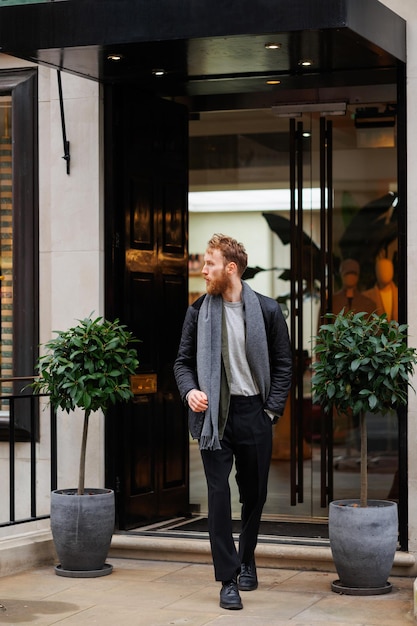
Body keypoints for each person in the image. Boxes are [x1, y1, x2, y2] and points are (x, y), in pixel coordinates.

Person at [174, 234, 292, 611]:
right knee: (218, 495)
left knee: (254, 494)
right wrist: (190, 391)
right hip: (214, 417)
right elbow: (182, 362)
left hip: (254, 412)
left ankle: (248, 557)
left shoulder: (269, 312)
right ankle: (228, 579)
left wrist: (270, 411)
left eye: (209, 263)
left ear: (231, 268)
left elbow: (284, 365)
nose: (203, 269)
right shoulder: (198, 311)